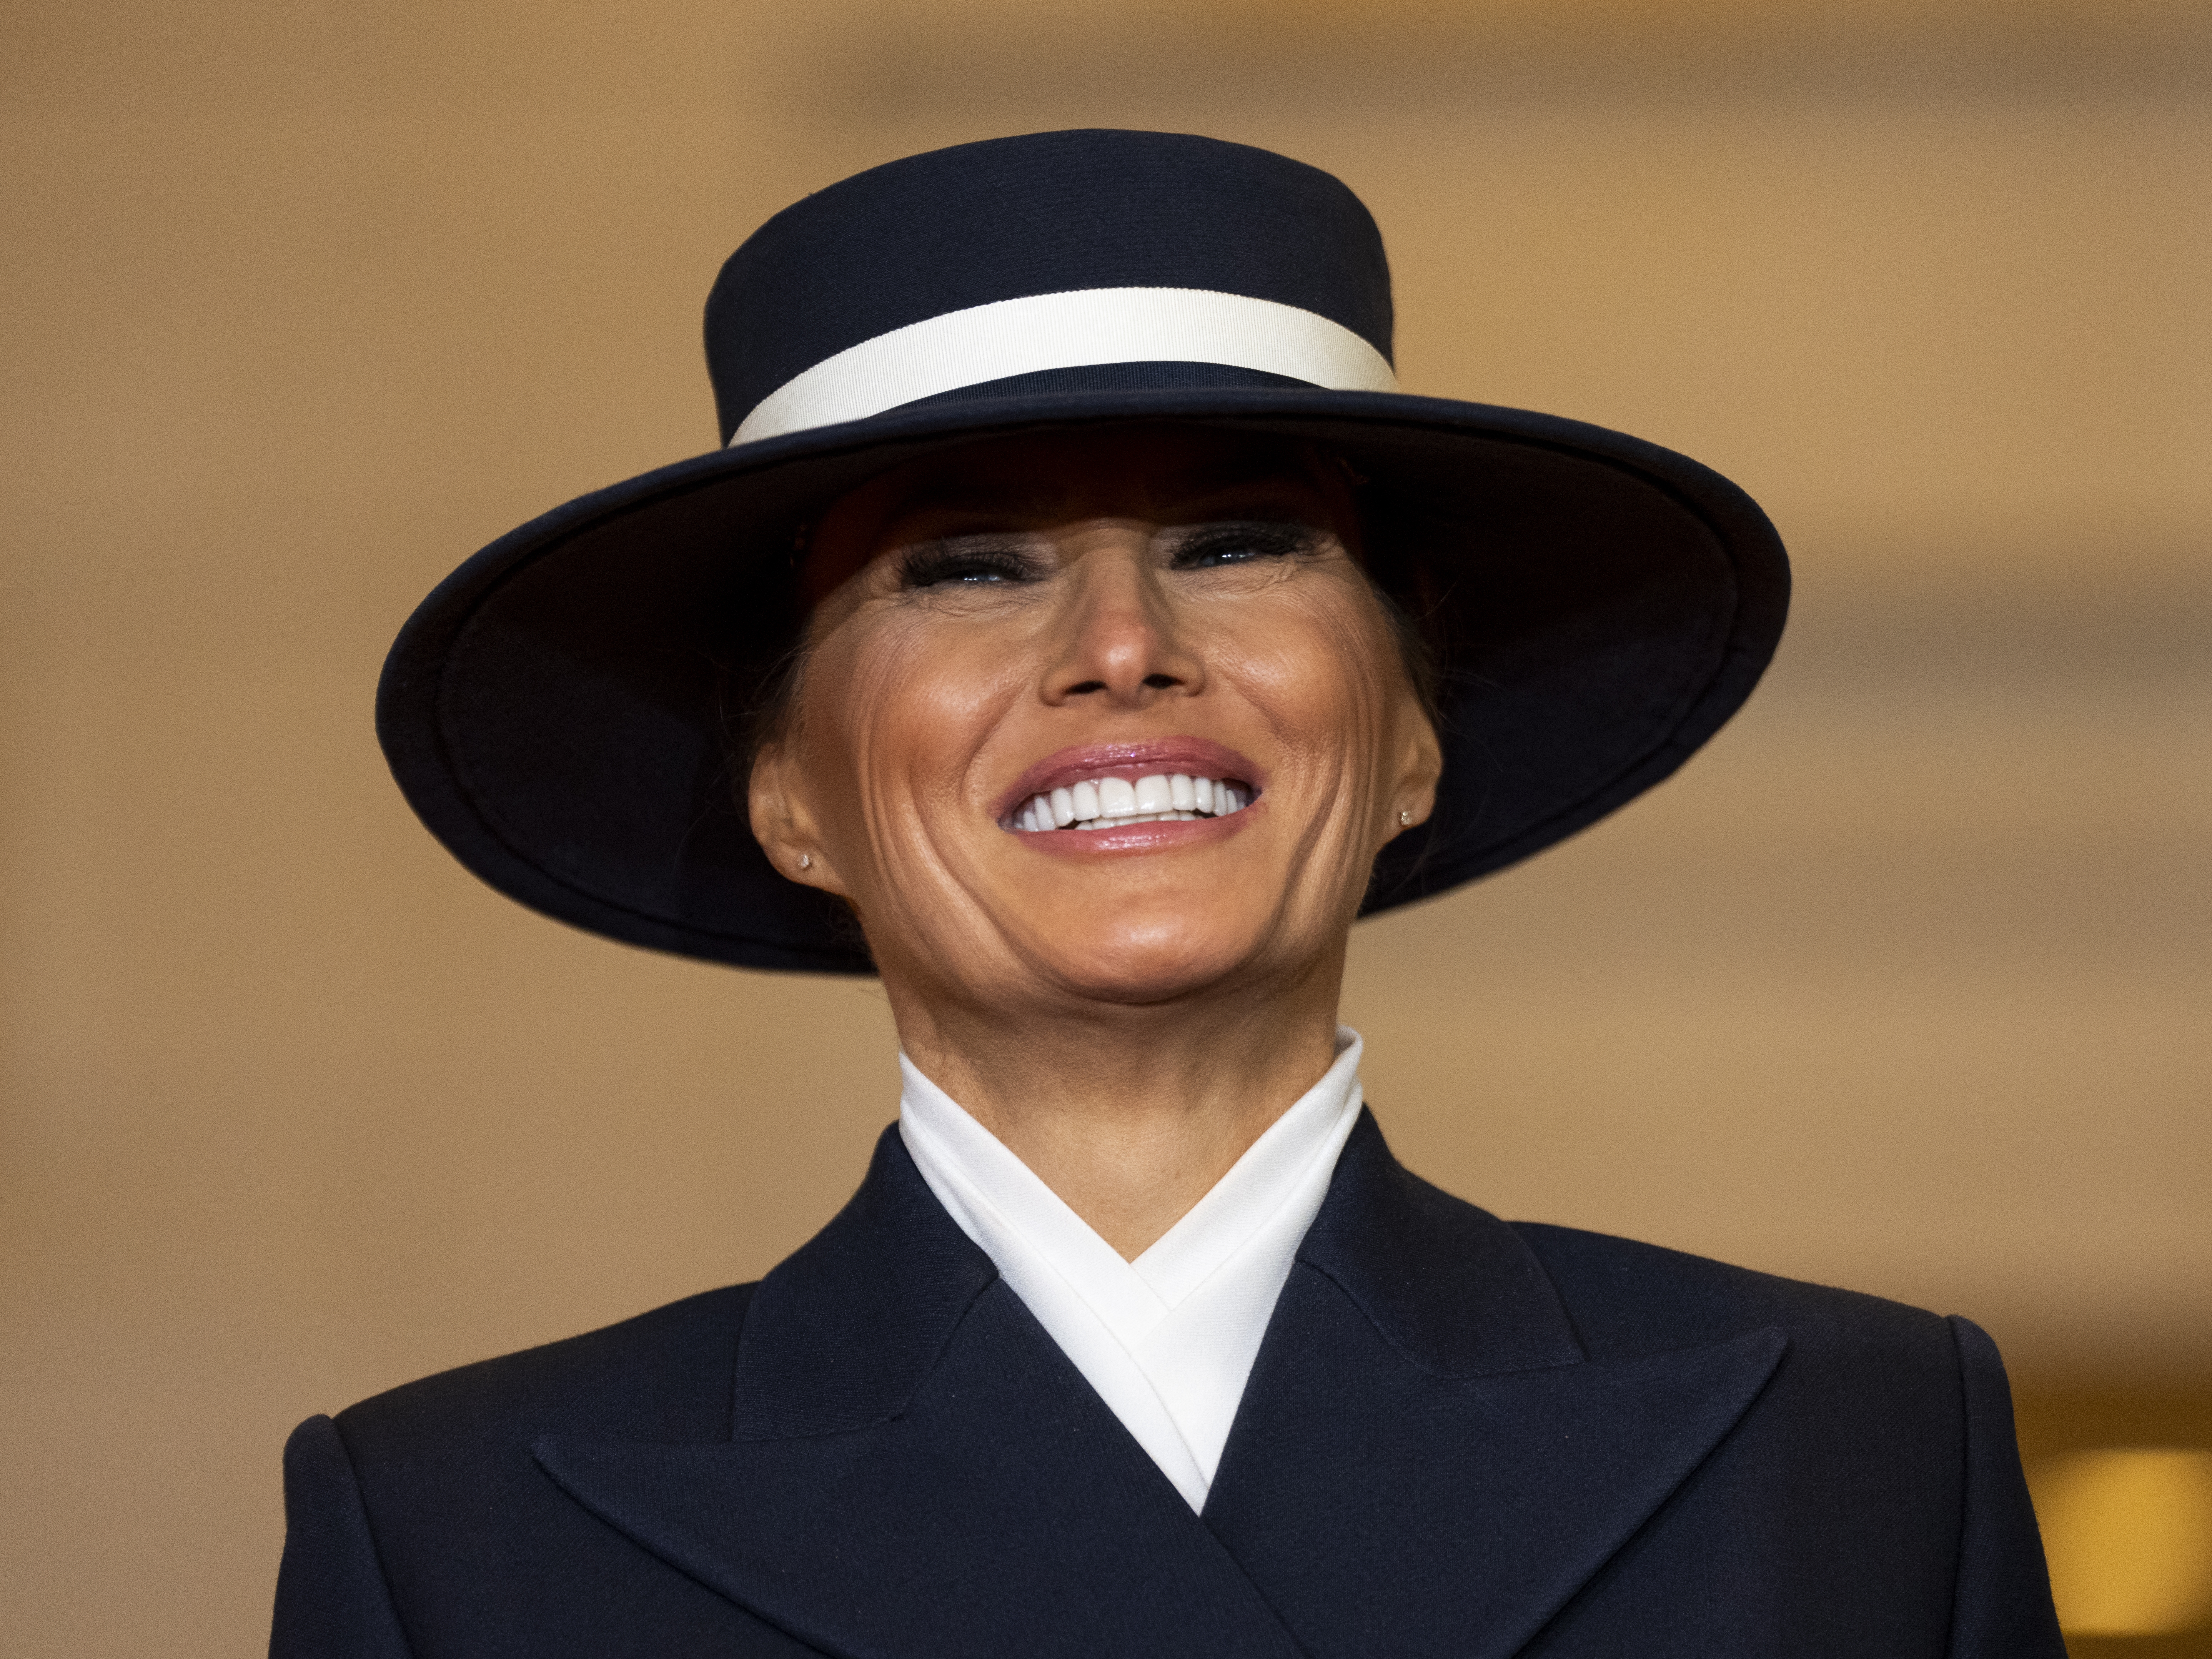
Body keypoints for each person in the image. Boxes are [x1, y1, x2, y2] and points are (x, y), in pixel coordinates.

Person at [272, 130, 2064, 1657]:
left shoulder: (1862, 1454)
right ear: (791, 794)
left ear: (1414, 743)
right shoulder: (451, 1539)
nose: (1122, 647)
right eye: (964, 565)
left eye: (1238, 542)